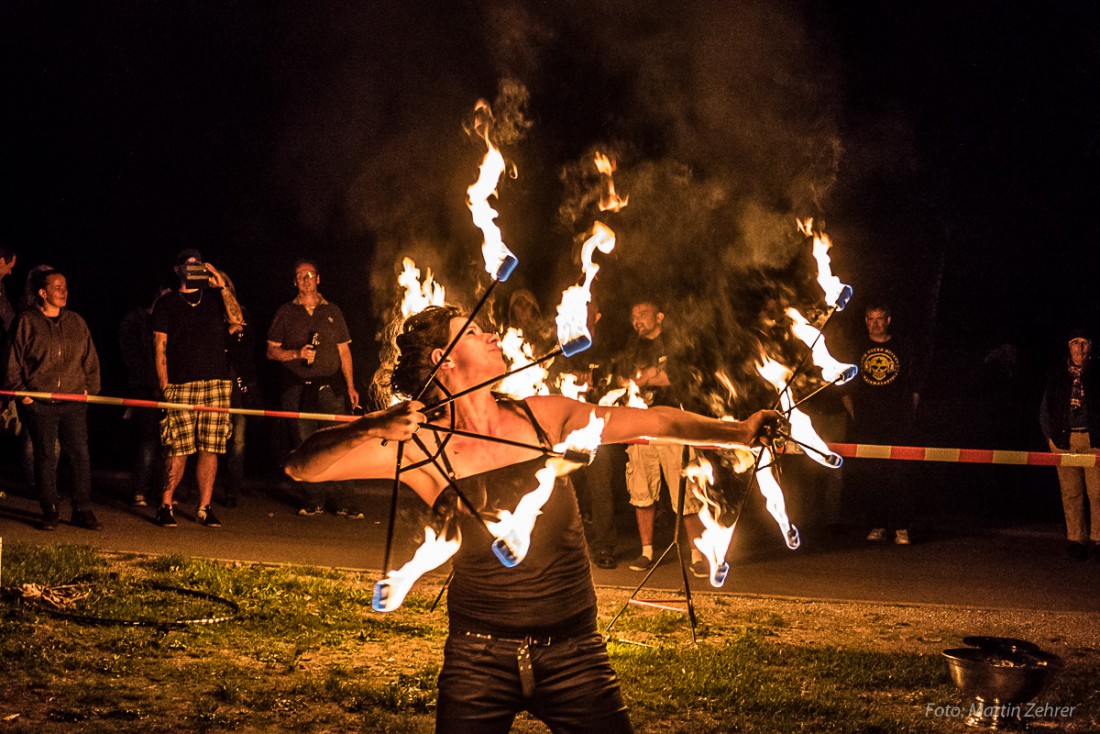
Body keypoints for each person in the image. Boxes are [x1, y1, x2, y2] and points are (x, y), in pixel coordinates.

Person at [284, 305, 783, 733]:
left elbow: (659, 422)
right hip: (477, 659)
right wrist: (372, 426)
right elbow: (302, 467)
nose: (493, 334)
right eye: (476, 331)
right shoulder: (418, 446)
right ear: (444, 358)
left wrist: (738, 431)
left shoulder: (542, 417)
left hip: (575, 654)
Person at [151, 249, 243, 528]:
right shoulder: (166, 303)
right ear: (178, 270)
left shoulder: (214, 298)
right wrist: (164, 386)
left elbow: (237, 319)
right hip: (180, 384)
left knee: (210, 448)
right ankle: (165, 505)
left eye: (199, 266)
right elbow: (159, 348)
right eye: (189, 266)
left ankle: (204, 507)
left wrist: (222, 285)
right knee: (177, 448)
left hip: (215, 383)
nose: (195, 270)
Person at [5, 267, 101, 530]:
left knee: (80, 455)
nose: (64, 291)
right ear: (42, 292)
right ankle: (50, 508)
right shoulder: (27, 321)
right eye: (57, 287)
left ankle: (82, 509)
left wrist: (90, 390)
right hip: (39, 403)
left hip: (72, 401)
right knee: (45, 456)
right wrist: (23, 394)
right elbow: (13, 359)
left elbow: (90, 359)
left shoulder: (76, 322)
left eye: (66, 287)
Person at [619, 299, 709, 576]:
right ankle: (647, 551)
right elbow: (622, 377)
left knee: (685, 488)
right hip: (641, 423)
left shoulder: (675, 341)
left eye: (643, 314)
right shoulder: (632, 346)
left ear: (659, 316)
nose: (638, 321)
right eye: (634, 316)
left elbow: (684, 375)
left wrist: (651, 376)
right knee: (641, 487)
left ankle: (697, 553)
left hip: (673, 422)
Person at [267, 259, 361, 517]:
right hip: (297, 390)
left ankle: (345, 501)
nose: (306, 279)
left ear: (318, 279)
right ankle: (314, 499)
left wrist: (351, 386)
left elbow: (344, 350)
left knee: (338, 443)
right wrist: (296, 353)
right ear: (294, 281)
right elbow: (271, 351)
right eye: (300, 275)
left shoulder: (333, 311)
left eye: (310, 274)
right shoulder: (286, 312)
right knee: (306, 446)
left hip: (330, 389)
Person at [842, 302, 920, 545]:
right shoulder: (856, 347)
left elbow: (914, 386)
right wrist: (854, 414)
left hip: (896, 423)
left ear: (888, 320)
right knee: (872, 476)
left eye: (879, 319)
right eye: (870, 319)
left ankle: (901, 527)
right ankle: (877, 524)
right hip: (867, 424)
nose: (875, 324)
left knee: (897, 475)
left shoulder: (902, 347)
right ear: (866, 321)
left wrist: (907, 415)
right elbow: (845, 385)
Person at [1039, 329, 1100, 560]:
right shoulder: (1057, 375)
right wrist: (1050, 440)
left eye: (1084, 343)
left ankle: (1098, 539)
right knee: (1071, 493)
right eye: (1076, 343)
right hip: (1066, 440)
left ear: (1090, 347)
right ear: (1069, 346)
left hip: (1093, 441)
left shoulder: (1097, 374)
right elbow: (1045, 410)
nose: (1080, 349)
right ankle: (1076, 539)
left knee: (1097, 493)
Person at [119, 288, 170, 507]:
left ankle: (163, 490)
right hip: (144, 388)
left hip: (166, 388)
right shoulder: (135, 320)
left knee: (168, 442)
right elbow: (132, 357)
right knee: (148, 439)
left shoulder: (169, 320)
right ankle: (139, 489)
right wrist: (153, 384)